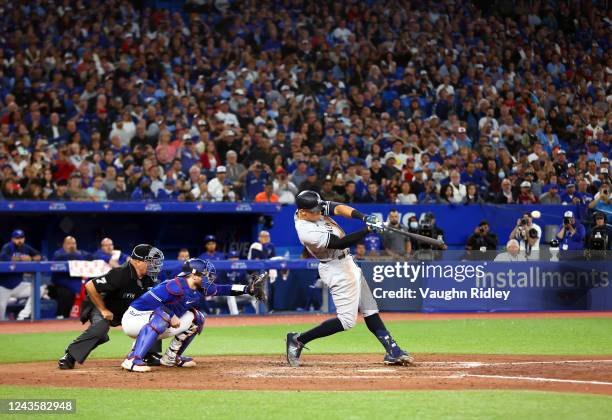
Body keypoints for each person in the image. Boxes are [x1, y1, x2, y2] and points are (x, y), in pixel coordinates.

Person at [287, 190, 413, 367]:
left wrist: (364, 217)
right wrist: (367, 230)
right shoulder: (306, 231)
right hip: (335, 268)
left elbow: (338, 208)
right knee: (346, 321)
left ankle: (393, 350)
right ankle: (299, 339)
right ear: (303, 212)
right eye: (315, 211)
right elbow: (340, 243)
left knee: (370, 309)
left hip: (348, 263)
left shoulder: (310, 207)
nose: (319, 212)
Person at [120, 258, 264, 372]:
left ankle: (171, 357)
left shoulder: (199, 287)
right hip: (134, 320)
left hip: (155, 322)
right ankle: (133, 359)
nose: (209, 278)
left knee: (197, 318)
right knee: (163, 316)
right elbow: (150, 302)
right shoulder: (173, 286)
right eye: (206, 275)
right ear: (194, 275)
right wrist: (170, 314)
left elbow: (222, 289)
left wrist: (247, 288)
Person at [58, 244, 165, 370]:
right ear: (137, 261)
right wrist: (103, 309)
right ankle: (70, 355)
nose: (154, 265)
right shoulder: (119, 274)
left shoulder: (150, 278)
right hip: (104, 306)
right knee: (100, 329)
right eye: (150, 261)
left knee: (154, 317)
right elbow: (90, 286)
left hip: (127, 311)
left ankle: (148, 353)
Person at [0, 230, 41, 320]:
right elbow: (3, 257)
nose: (19, 240)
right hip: (3, 287)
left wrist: (31, 258)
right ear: (12, 239)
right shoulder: (7, 247)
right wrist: (20, 259)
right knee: (1, 313)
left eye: (21, 238)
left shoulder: (25, 247)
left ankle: (23, 316)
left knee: (39, 290)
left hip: (18, 286)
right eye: (17, 238)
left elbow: (38, 255)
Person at [49, 236, 91, 318]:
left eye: (73, 243)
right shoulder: (58, 254)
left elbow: (91, 257)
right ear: (64, 245)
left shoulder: (80, 253)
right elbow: (63, 257)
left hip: (77, 285)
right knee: (65, 293)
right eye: (69, 244)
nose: (72, 246)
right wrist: (78, 255)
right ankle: (60, 316)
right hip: (59, 285)